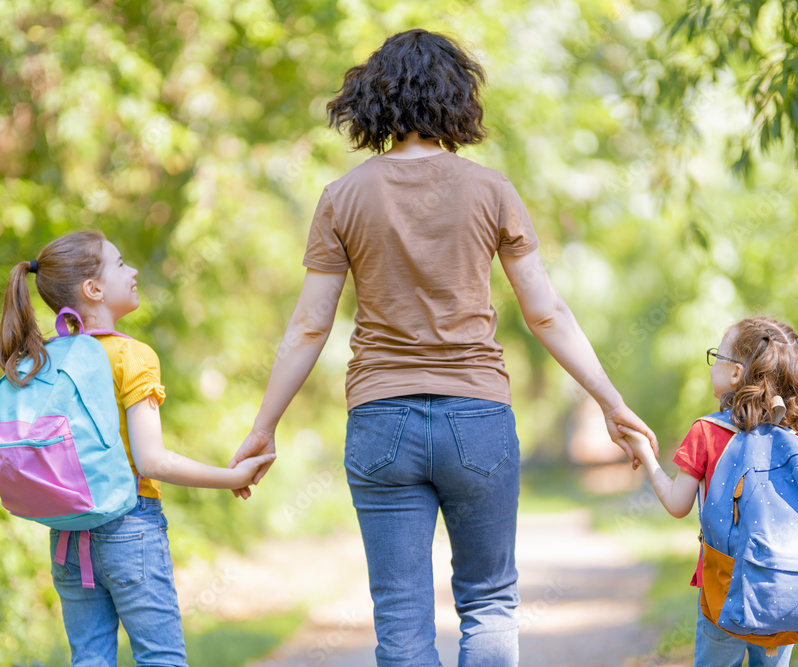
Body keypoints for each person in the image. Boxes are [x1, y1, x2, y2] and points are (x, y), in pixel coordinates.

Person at [228, 29, 655, 665]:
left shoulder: (342, 197)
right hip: (477, 417)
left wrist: (264, 426)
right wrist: (611, 402)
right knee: (488, 603)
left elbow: (310, 327)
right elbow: (547, 313)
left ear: (372, 100)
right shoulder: (492, 191)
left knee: (400, 616)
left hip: (381, 419)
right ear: (457, 99)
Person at [0, 229, 274, 667]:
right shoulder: (131, 356)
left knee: (89, 659)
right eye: (121, 264)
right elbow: (151, 460)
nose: (134, 271)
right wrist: (231, 477)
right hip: (130, 527)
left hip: (68, 533)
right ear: (94, 288)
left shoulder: (44, 359)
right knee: (160, 659)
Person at [619, 315, 798, 667]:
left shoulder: (706, 433)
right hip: (785, 587)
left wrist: (645, 455)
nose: (711, 363)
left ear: (734, 374)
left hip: (724, 587)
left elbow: (677, 503)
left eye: (717, 355)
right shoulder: (796, 439)